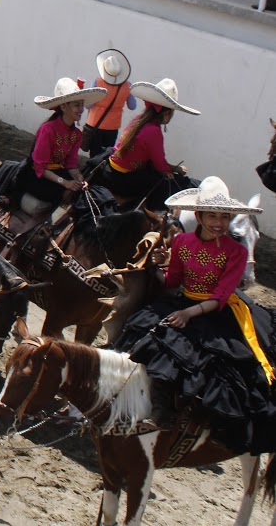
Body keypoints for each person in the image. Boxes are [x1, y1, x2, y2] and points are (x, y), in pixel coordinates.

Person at [115, 177, 275, 454]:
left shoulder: (236, 251)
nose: (219, 223)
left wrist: (188, 313)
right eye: (212, 216)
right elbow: (173, 279)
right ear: (199, 216)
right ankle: (141, 402)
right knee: (144, 335)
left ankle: (187, 420)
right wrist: (155, 268)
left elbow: (222, 295)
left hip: (220, 312)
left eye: (224, 217)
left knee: (218, 366)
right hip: (184, 302)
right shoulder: (182, 242)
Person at [92, 78, 199, 209]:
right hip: (124, 179)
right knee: (171, 185)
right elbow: (160, 165)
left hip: (112, 172)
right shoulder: (153, 131)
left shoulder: (139, 121)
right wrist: (175, 169)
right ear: (167, 113)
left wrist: (170, 168)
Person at [15, 78, 107, 213]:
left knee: (84, 191)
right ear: (63, 106)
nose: (81, 109)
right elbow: (38, 166)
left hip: (57, 173)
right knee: (64, 194)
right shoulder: (48, 130)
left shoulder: (76, 134)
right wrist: (65, 182)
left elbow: (71, 164)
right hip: (36, 176)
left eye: (82, 105)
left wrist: (79, 177)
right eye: (77, 105)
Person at [82, 48, 135, 157]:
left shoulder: (98, 82)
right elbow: (133, 106)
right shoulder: (127, 85)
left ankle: (89, 173)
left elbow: (88, 105)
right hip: (113, 127)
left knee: (94, 155)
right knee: (105, 156)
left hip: (95, 124)